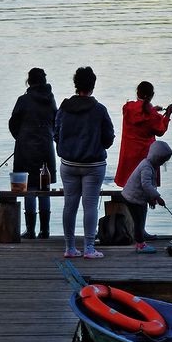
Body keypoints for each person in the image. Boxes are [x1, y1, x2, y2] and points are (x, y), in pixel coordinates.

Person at [54, 66, 115, 260]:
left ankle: (70, 248)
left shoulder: (64, 108)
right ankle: (89, 248)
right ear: (93, 85)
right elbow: (109, 138)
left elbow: (56, 133)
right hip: (94, 165)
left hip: (68, 163)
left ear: (75, 85)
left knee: (69, 205)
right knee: (90, 205)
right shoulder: (99, 109)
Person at [8, 67, 57, 239]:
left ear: (29, 81)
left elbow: (13, 123)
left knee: (28, 187)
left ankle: (30, 230)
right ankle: (45, 230)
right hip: (46, 147)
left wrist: (21, 136)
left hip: (25, 147)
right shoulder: (50, 100)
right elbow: (56, 122)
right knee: (45, 186)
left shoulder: (23, 100)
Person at [114, 81, 172, 188]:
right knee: (145, 185)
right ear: (152, 95)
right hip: (145, 156)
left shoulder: (127, 108)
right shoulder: (152, 115)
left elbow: (140, 111)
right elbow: (160, 130)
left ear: (137, 93)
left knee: (128, 184)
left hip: (128, 155)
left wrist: (152, 110)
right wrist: (168, 114)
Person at [121, 140, 172, 254]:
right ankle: (140, 244)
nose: (162, 164)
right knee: (138, 220)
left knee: (142, 216)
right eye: (161, 161)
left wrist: (151, 199)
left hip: (137, 197)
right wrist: (158, 197)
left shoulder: (149, 164)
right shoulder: (146, 167)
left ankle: (142, 234)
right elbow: (146, 185)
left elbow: (150, 185)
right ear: (156, 157)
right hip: (133, 198)